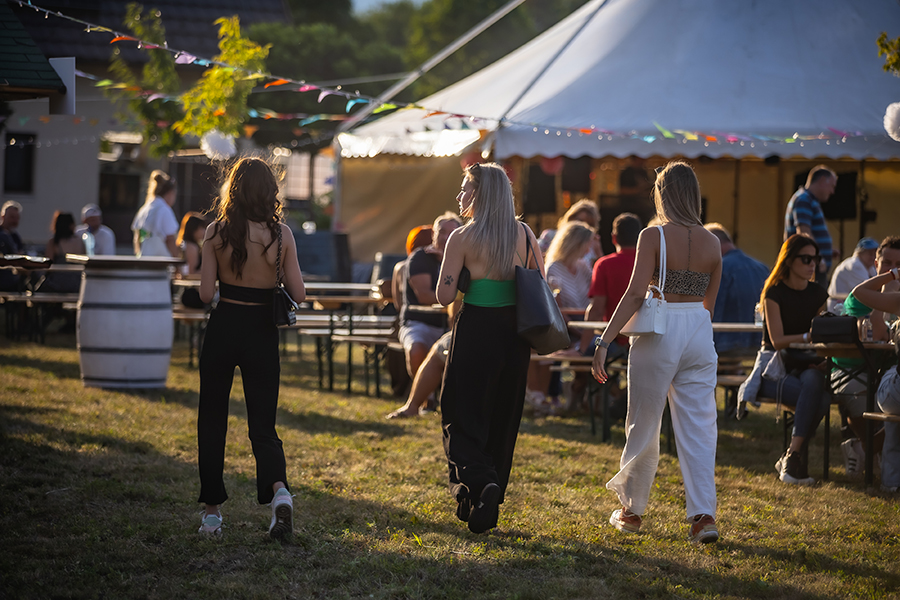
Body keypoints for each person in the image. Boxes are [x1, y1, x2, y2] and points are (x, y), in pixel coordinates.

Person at [591, 161, 722, 545]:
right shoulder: (713, 242)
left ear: (663, 194)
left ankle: (632, 511)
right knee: (700, 426)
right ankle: (703, 517)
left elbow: (635, 294)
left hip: (660, 330)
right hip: (699, 330)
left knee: (644, 422)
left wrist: (604, 341)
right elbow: (709, 305)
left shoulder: (653, 236)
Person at [196, 157, 305, 539]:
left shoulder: (216, 232)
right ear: (269, 192)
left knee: (212, 420)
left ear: (234, 190)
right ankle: (280, 492)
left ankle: (212, 515)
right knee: (263, 423)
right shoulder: (282, 235)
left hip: (224, 326)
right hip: (262, 331)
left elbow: (205, 294)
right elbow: (299, 293)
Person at [436, 162, 542, 534]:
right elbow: (540, 283)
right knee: (502, 413)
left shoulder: (462, 237)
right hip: (515, 333)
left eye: (465, 188)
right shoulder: (525, 234)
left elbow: (444, 295)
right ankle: (485, 491)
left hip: (477, 329)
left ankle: (480, 481)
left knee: (460, 411)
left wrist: (462, 274)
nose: (460, 195)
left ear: (480, 194)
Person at [739, 235, 830, 486]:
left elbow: (825, 334)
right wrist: (807, 336)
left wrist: (822, 354)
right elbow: (777, 340)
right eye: (805, 259)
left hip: (806, 364)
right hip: (774, 369)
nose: (812, 264)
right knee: (820, 398)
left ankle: (791, 456)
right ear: (789, 261)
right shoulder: (774, 293)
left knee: (815, 381)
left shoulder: (818, 293)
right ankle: (792, 459)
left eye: (816, 259)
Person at [398, 213, 461, 379]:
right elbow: (425, 296)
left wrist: (446, 261)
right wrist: (456, 298)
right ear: (433, 234)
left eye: (451, 233)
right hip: (419, 322)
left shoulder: (462, 259)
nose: (445, 237)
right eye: (442, 232)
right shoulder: (420, 257)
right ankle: (425, 392)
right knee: (417, 350)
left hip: (451, 324)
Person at [704, 223, 770, 355]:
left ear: (712, 245)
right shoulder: (762, 268)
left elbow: (709, 311)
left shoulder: (719, 269)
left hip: (725, 345)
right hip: (760, 343)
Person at [784, 165, 838, 285]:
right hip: (810, 268)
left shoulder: (809, 200)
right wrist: (817, 257)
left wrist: (827, 250)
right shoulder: (804, 199)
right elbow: (803, 233)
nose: (832, 191)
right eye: (832, 186)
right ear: (822, 180)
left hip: (811, 266)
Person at [132, 170, 179, 258]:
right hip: (160, 261)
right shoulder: (164, 209)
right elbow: (170, 239)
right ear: (170, 193)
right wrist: (177, 259)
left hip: (144, 259)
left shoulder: (144, 208)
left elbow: (137, 238)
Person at [827, 237, 878, 312]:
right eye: (870, 254)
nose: (873, 257)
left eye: (875, 254)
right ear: (860, 253)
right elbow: (868, 291)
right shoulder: (854, 265)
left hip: (848, 308)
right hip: (839, 310)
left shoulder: (869, 267)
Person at [38, 212, 86, 294]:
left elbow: (47, 264)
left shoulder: (54, 242)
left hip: (57, 283)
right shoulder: (79, 241)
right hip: (77, 282)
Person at [0, 201, 25, 291]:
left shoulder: (15, 237)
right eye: (12, 217)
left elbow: (20, 254)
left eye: (17, 218)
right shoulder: (3, 235)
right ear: (3, 216)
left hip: (11, 279)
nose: (14, 221)